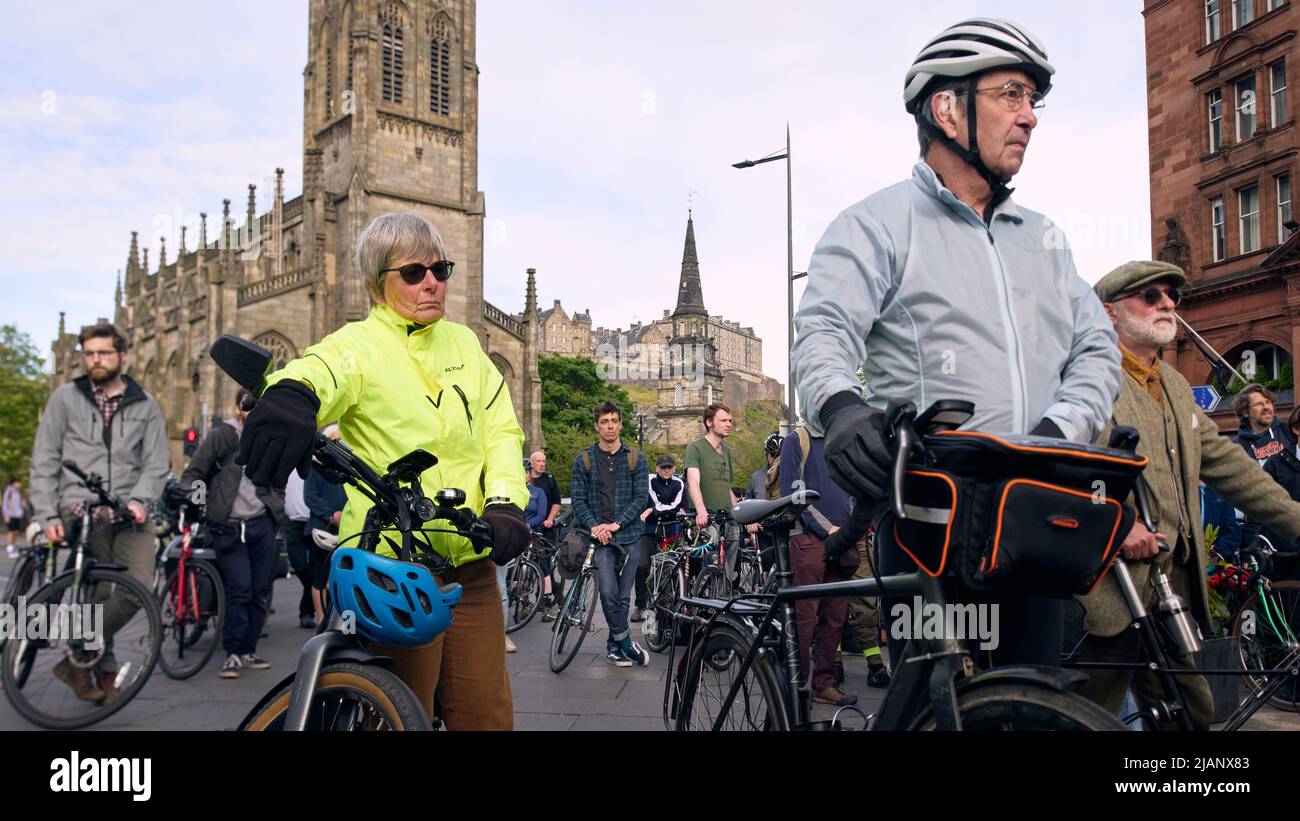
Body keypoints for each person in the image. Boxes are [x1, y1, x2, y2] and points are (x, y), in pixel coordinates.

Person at [790, 18, 1120, 669]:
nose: (1029, 116)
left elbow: (1098, 349)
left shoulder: (1044, 238)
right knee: (939, 705)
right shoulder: (874, 225)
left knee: (1030, 702)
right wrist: (842, 408)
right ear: (946, 107)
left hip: (1031, 516)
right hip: (928, 517)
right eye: (1011, 94)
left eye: (1034, 100)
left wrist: (1055, 429)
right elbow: (823, 330)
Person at [236, 212, 529, 730]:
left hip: (471, 564)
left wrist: (506, 502)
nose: (432, 282)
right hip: (392, 565)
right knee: (393, 712)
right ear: (376, 284)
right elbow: (322, 368)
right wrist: (292, 392)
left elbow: (501, 431)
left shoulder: (465, 345)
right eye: (414, 273)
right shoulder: (358, 344)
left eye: (441, 269)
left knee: (487, 716)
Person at [1076, 261, 1300, 728]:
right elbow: (1061, 467)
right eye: (1150, 296)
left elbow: (1235, 470)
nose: (1168, 305)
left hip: (1168, 585)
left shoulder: (1176, 385)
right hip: (1104, 587)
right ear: (1109, 313)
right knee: (1080, 715)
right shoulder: (1084, 377)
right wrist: (1115, 522)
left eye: (1170, 296)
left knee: (1191, 712)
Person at [29, 322, 170, 702]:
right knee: (98, 592)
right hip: (81, 507)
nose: (96, 360)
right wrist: (48, 515)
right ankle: (100, 668)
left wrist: (140, 499)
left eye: (104, 352)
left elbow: (157, 463)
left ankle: (78, 651)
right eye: (90, 353)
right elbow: (45, 458)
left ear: (122, 356)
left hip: (129, 511)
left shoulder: (144, 403)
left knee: (135, 589)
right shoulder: (65, 398)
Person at [181, 390, 288, 678]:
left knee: (259, 592)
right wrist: (202, 505)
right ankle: (232, 653)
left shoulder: (271, 439)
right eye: (248, 405)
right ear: (238, 408)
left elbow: (279, 478)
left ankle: (248, 651)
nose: (253, 410)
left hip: (261, 524)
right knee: (238, 590)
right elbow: (193, 474)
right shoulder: (222, 436)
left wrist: (276, 507)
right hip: (228, 527)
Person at [777, 427, 864, 706]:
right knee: (806, 616)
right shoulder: (796, 440)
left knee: (835, 616)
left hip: (839, 539)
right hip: (808, 539)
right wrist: (831, 530)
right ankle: (798, 685)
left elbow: (853, 488)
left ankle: (824, 683)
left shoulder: (842, 439)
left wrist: (848, 529)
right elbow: (794, 494)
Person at [570, 401, 650, 667]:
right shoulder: (583, 460)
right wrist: (595, 526)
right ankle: (627, 642)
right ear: (596, 426)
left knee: (624, 597)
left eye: (614, 421)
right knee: (607, 592)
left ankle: (614, 648)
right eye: (605, 422)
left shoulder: (636, 458)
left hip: (628, 536)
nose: (610, 426)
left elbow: (641, 498)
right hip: (600, 539)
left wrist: (616, 524)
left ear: (620, 424)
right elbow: (578, 500)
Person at [684, 403, 755, 585]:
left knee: (729, 571)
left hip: (727, 517)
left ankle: (723, 605)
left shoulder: (727, 451)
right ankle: (705, 605)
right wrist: (701, 511)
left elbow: (727, 487)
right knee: (710, 566)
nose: (728, 424)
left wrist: (742, 513)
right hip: (707, 517)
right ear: (709, 422)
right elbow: (693, 482)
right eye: (723, 420)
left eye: (730, 420)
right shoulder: (695, 448)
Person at [303, 424, 347, 625]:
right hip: (321, 530)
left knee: (339, 579)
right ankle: (321, 619)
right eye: (335, 441)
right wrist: (331, 515)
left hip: (346, 530)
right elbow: (310, 497)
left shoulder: (347, 468)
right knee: (319, 579)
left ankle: (340, 622)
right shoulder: (315, 467)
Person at [633, 454, 685, 621]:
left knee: (670, 568)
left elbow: (678, 506)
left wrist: (652, 511)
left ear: (674, 469)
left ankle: (667, 603)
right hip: (649, 531)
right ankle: (640, 606)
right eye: (663, 467)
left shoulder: (679, 483)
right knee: (641, 566)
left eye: (670, 467)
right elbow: (656, 503)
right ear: (656, 468)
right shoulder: (649, 480)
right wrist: (656, 510)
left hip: (670, 532)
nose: (667, 470)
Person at [527, 451, 562, 618]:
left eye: (544, 461)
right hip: (529, 529)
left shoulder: (549, 479)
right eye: (539, 461)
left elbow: (557, 503)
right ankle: (555, 595)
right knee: (530, 563)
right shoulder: (526, 480)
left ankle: (546, 600)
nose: (542, 464)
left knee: (544, 563)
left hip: (546, 529)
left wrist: (549, 519)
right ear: (531, 463)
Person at [283, 454, 317, 629]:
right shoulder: (285, 461)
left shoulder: (315, 462)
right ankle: (312, 601)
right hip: (292, 523)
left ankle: (307, 613)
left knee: (314, 568)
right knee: (301, 566)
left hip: (313, 522)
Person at [1233, 384, 1293, 465]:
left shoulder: (1290, 432)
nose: (1266, 407)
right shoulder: (1237, 448)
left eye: (1268, 402)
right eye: (1259, 404)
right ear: (1245, 412)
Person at [749, 433, 782, 501]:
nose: (777, 459)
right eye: (773, 455)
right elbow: (748, 505)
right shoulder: (756, 477)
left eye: (781, 455)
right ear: (767, 456)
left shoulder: (793, 475)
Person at [4, 477, 23, 557]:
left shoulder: (18, 492)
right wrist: (6, 515)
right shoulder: (9, 492)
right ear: (13, 483)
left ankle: (12, 545)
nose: (19, 484)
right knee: (11, 531)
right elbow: (5, 504)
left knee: (16, 531)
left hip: (18, 514)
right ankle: (9, 547)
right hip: (10, 514)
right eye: (17, 482)